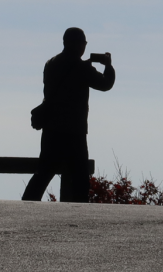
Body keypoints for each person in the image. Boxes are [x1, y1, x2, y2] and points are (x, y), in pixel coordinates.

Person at [22, 27, 115, 203]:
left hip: (51, 128)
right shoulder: (82, 68)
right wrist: (108, 66)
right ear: (79, 44)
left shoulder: (51, 63)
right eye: (84, 43)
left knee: (44, 172)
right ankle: (79, 211)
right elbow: (105, 84)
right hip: (74, 130)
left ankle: (26, 204)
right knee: (80, 178)